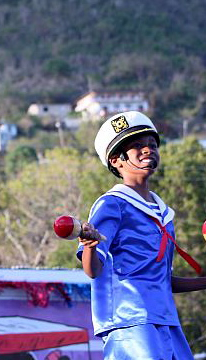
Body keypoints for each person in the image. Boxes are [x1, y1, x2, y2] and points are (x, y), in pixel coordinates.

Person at [77, 111, 206, 360]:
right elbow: (93, 270)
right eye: (137, 146)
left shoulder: (164, 214)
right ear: (116, 160)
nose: (148, 150)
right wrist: (90, 245)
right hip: (130, 324)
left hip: (166, 322)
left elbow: (161, 280)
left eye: (152, 145)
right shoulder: (112, 204)